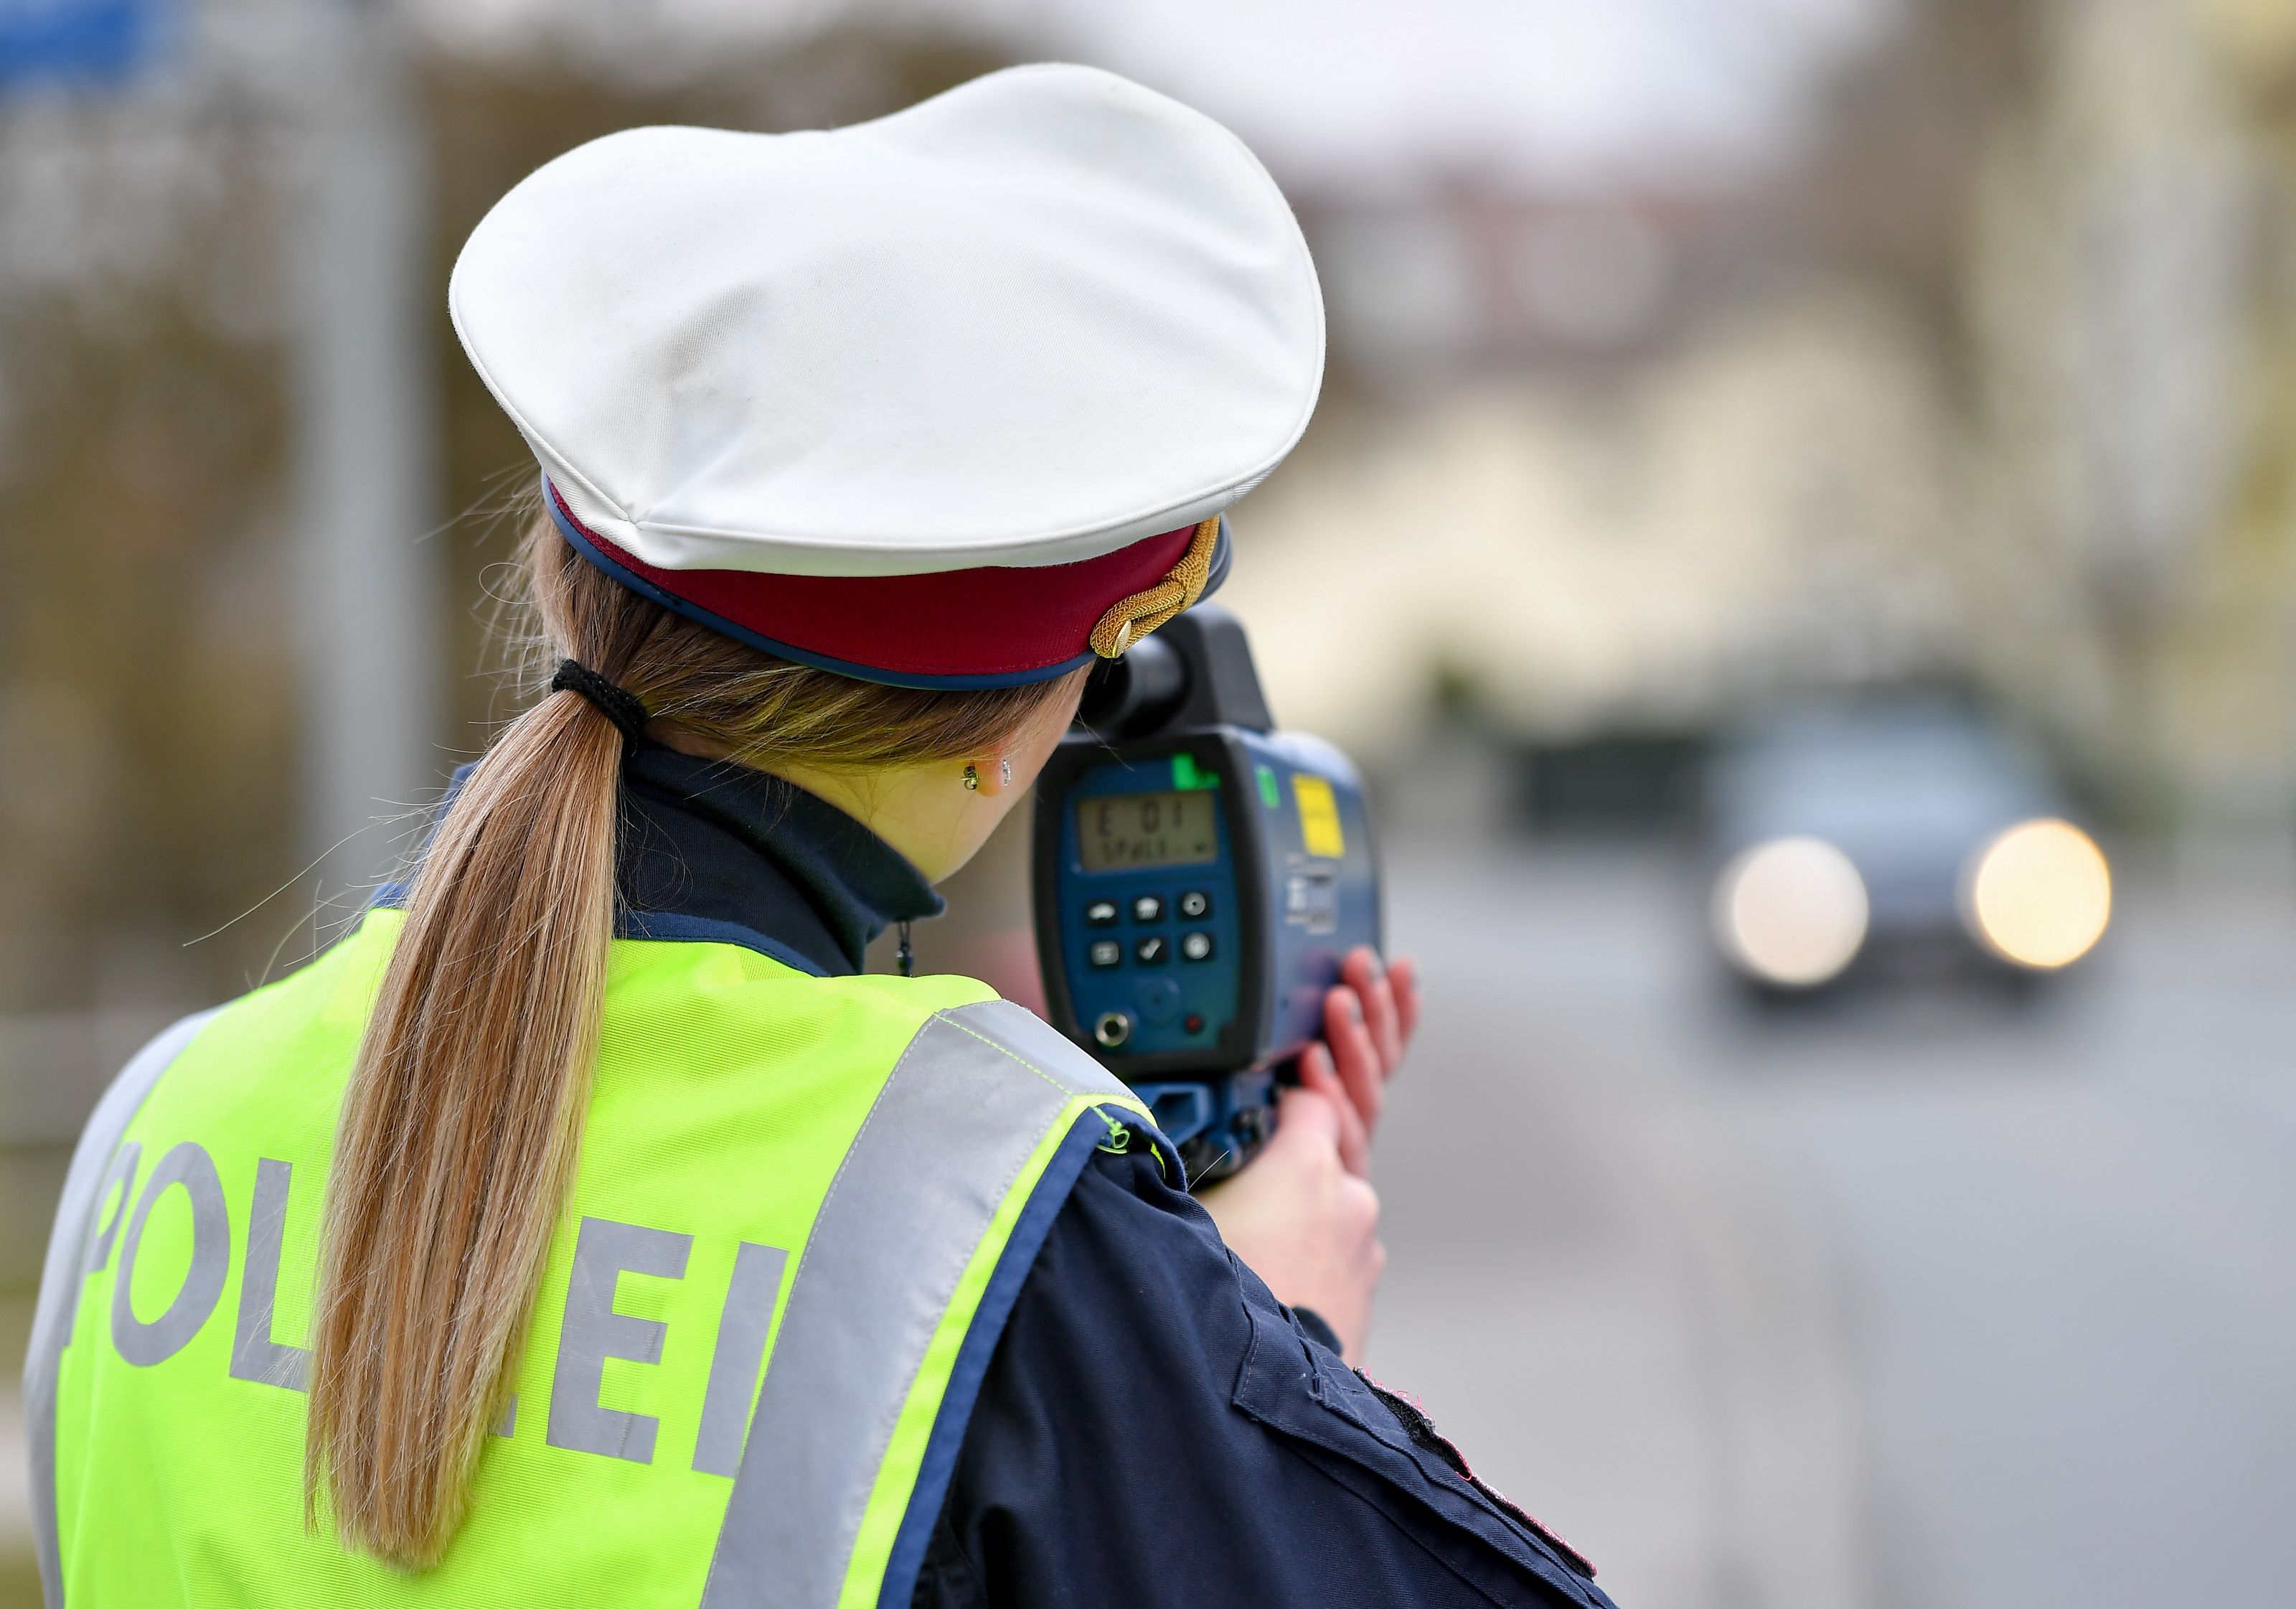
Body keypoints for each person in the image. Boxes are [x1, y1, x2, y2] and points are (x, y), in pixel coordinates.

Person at [24, 64, 1612, 1609]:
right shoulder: (989, 1225)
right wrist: (1265, 1368)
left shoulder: (153, 1132)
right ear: (1008, 734)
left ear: (556, 574)